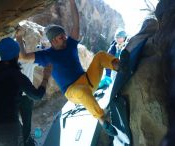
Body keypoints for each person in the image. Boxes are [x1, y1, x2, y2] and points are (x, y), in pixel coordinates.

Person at [17, 0, 129, 136]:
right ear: (53, 41)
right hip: (72, 91)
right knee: (82, 91)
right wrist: (18, 37)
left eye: (64, 35)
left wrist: (71, 2)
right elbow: (23, 57)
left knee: (99, 56)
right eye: (61, 37)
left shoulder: (70, 44)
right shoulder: (46, 56)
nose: (65, 38)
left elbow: (76, 23)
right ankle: (102, 120)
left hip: (88, 80)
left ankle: (121, 67)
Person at [0, 37, 50, 146]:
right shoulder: (16, 75)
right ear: (17, 55)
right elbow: (37, 96)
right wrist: (46, 77)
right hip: (8, 127)